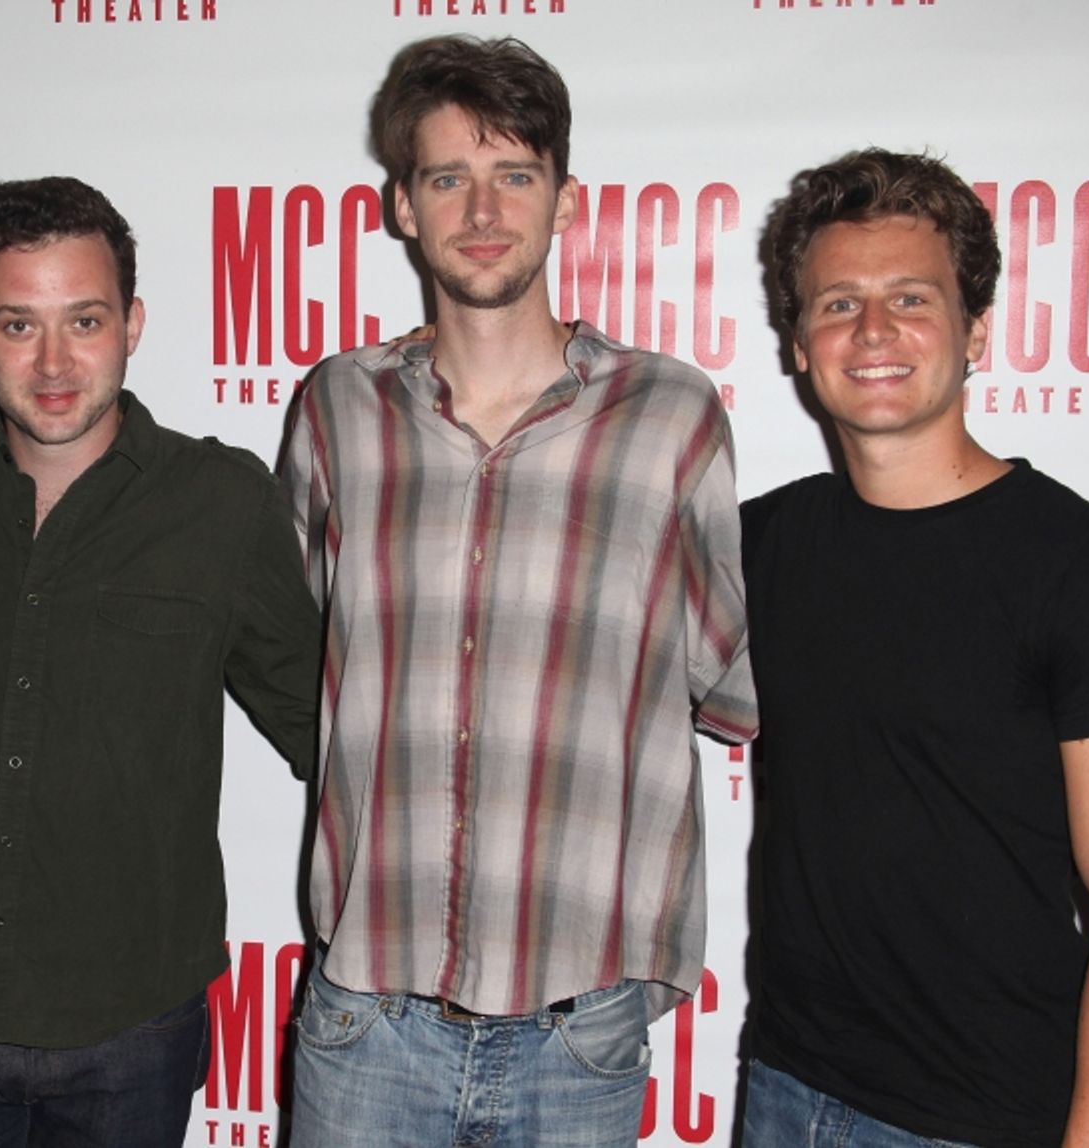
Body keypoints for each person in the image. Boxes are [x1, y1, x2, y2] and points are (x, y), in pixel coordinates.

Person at [282, 34, 757, 1148]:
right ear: (403, 206)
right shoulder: (337, 407)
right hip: (368, 1016)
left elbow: (728, 683)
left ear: (565, 199)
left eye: (515, 175)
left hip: (578, 1030)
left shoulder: (672, 417)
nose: (484, 210)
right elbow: (291, 634)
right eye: (449, 177)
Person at [0, 176, 322, 1147]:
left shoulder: (221, 502)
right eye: (18, 324)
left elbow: (329, 728)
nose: (53, 362)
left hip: (132, 1027)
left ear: (132, 323)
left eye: (84, 320)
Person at [739, 149, 1089, 1147]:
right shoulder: (758, 545)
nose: (873, 331)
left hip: (982, 1116)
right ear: (800, 344)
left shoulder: (1072, 562)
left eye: (911, 297)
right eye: (838, 304)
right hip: (785, 1089)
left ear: (976, 329)